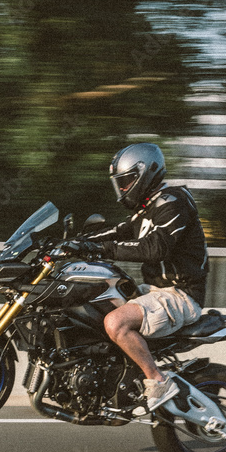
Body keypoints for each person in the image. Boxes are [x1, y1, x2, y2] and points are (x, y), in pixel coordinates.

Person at [70, 143, 210, 411]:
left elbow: (156, 247)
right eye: (119, 183)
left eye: (126, 182)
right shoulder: (145, 210)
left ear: (145, 173)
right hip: (155, 292)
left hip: (180, 295)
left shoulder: (174, 201)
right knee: (94, 303)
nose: (122, 189)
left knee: (116, 322)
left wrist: (102, 249)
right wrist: (72, 243)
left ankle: (158, 380)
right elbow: (117, 232)